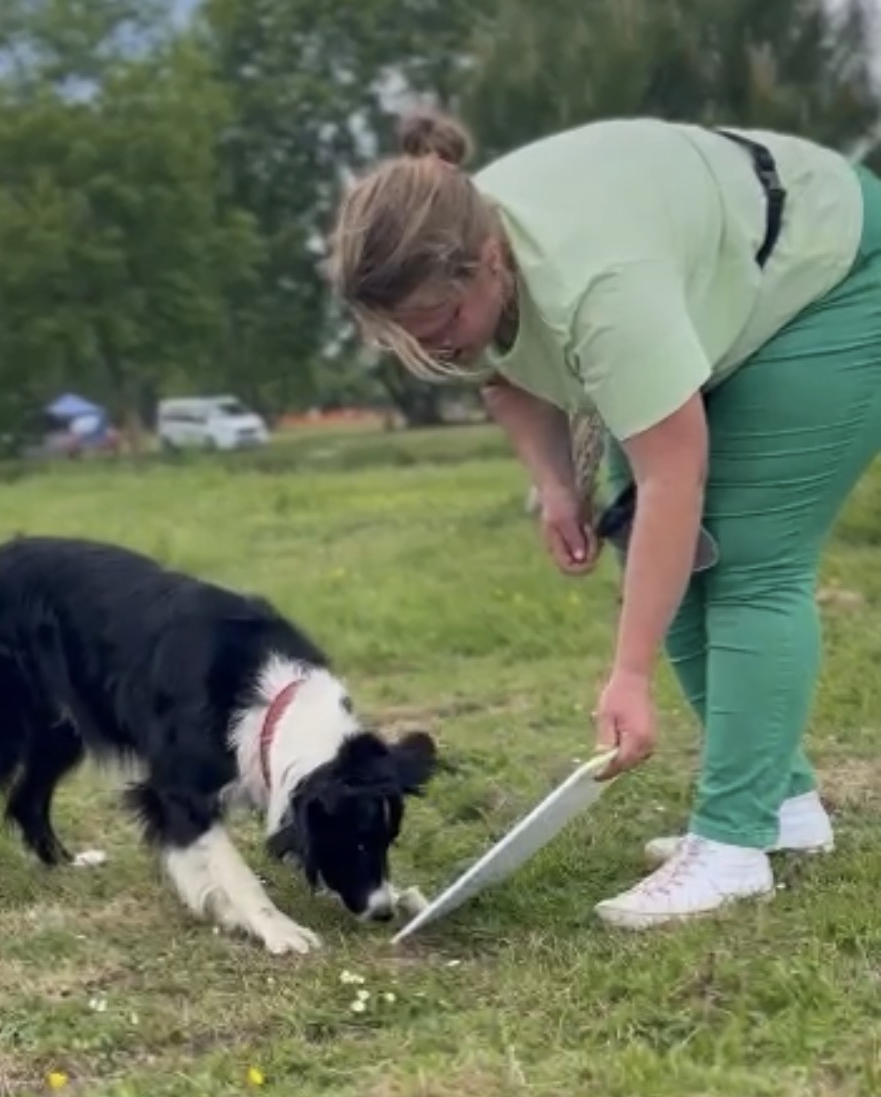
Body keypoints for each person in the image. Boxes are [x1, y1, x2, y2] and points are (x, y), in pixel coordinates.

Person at [325, 107, 881, 930]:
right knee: (671, 557)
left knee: (750, 558)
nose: (433, 351)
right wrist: (556, 482)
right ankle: (781, 804)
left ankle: (732, 846)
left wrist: (629, 674)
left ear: (491, 263)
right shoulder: (459, 265)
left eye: (440, 326)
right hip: (711, 296)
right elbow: (500, 370)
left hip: (832, 275)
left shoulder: (600, 287)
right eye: (408, 337)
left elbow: (672, 477)